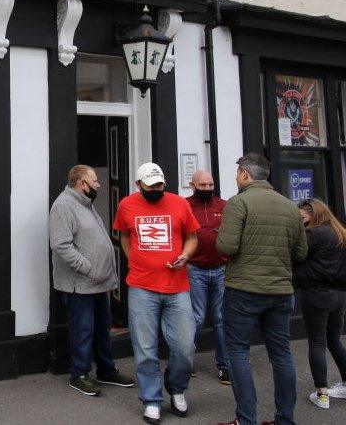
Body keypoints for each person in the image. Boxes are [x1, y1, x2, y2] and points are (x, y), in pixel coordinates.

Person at [214, 153, 308, 425]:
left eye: (237, 174)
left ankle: (246, 420)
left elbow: (226, 247)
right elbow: (301, 252)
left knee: (238, 352)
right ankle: (285, 419)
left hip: (243, 289)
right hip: (281, 291)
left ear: (245, 174)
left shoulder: (238, 203)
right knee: (281, 353)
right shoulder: (290, 207)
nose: (236, 178)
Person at [114, 162, 200, 425]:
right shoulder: (127, 205)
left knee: (185, 346)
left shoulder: (179, 204)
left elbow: (192, 237)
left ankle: (176, 387)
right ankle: (151, 399)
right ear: (138, 185)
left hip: (177, 287)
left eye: (160, 185)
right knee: (145, 348)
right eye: (150, 186)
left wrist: (185, 256)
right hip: (141, 287)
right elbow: (125, 238)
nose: (156, 190)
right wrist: (134, 261)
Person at [49, 165, 136, 397]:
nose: (98, 184)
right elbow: (61, 245)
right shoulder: (64, 206)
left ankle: (106, 371)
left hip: (99, 282)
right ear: (81, 183)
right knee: (83, 330)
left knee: (101, 329)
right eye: (94, 181)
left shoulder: (85, 203)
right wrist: (88, 268)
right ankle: (79, 375)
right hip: (81, 283)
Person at [294, 198, 346, 410]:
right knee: (334, 340)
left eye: (303, 218)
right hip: (339, 295)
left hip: (316, 294)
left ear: (313, 215)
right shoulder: (340, 231)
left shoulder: (312, 234)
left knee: (316, 342)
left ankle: (322, 393)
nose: (301, 222)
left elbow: (296, 257)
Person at [185, 170, 230, 385]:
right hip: (195, 269)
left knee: (221, 319)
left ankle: (225, 366)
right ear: (192, 185)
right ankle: (186, 362)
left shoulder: (223, 205)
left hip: (221, 269)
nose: (207, 189)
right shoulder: (184, 205)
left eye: (210, 185)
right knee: (197, 317)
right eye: (202, 185)